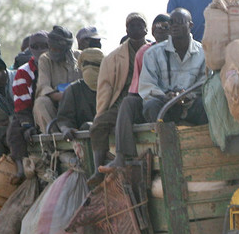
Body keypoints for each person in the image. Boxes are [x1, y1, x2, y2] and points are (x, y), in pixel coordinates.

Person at [105, 13, 172, 169]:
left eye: (165, 27)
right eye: (158, 28)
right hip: (151, 99)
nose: (161, 31)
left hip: (178, 98)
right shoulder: (145, 52)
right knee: (129, 102)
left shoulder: (181, 48)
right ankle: (121, 156)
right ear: (152, 32)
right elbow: (137, 89)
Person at [91, 13, 151, 175]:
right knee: (99, 124)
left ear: (146, 29)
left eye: (140, 25)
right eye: (132, 26)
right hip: (123, 99)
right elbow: (106, 87)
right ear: (126, 30)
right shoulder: (114, 57)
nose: (136, 29)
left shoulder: (154, 50)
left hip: (149, 96)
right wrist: (102, 111)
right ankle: (98, 168)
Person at [138, 8, 208, 125]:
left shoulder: (203, 53)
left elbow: (205, 84)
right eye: (172, 23)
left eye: (180, 22)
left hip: (191, 105)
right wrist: (165, 96)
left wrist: (187, 95)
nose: (175, 26)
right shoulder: (153, 53)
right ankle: (165, 139)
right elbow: (147, 85)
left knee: (207, 105)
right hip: (164, 106)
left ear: (190, 25)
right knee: (151, 106)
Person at [6, 30, 49, 182]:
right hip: (30, 112)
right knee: (14, 131)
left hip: (54, 110)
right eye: (35, 47)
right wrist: (27, 124)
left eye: (44, 46)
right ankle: (21, 168)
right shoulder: (24, 72)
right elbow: (22, 104)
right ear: (30, 49)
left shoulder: (57, 66)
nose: (40, 50)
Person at [33, 25, 80, 132]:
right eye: (51, 47)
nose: (53, 50)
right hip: (57, 103)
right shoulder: (45, 59)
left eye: (57, 49)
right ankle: (56, 141)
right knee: (41, 102)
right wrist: (64, 97)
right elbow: (43, 87)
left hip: (80, 104)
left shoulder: (80, 57)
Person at [54, 48, 103, 140]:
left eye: (96, 65)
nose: (90, 68)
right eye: (86, 64)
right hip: (82, 141)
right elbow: (64, 118)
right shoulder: (73, 89)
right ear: (81, 66)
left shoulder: (112, 87)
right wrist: (66, 129)